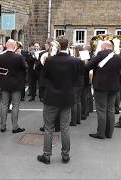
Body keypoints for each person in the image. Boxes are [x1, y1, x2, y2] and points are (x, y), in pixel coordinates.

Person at [37, 36, 78, 164]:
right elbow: (76, 79)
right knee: (65, 128)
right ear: (67, 45)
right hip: (66, 97)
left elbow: (44, 77)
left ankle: (47, 155)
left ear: (57, 46)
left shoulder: (50, 60)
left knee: (49, 128)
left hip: (52, 97)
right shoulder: (74, 61)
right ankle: (65, 155)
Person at [86, 41, 121, 139]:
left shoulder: (100, 55)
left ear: (105, 47)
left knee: (101, 110)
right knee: (110, 109)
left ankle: (101, 133)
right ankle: (109, 133)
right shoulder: (118, 57)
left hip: (101, 86)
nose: (101, 49)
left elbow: (88, 67)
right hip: (114, 86)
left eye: (101, 47)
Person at [0, 39, 27, 133]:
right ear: (13, 46)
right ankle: (15, 127)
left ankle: (2, 126)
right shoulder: (18, 57)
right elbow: (25, 69)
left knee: (4, 105)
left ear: (6, 45)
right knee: (15, 105)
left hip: (4, 84)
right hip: (16, 84)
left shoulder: (0, 57)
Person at [70, 45, 85, 126]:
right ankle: (78, 119)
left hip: (75, 83)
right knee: (78, 101)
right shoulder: (83, 60)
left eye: (74, 50)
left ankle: (73, 121)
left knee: (74, 102)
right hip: (81, 82)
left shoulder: (76, 60)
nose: (73, 51)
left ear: (77, 51)